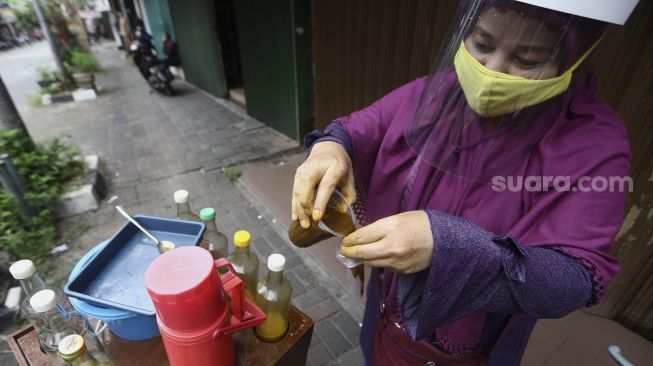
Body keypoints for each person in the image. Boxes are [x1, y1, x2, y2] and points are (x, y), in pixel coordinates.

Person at [291, 0, 639, 365]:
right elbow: (360, 126)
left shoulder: (597, 143)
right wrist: (330, 148)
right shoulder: (439, 91)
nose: (492, 72)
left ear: (575, 58)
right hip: (387, 300)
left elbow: (575, 278)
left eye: (528, 60)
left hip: (469, 341)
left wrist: (451, 245)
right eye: (482, 45)